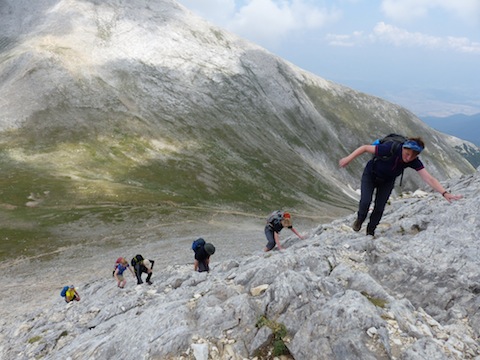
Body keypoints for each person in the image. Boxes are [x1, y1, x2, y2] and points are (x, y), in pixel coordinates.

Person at [339, 137, 462, 236]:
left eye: (412, 156)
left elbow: (429, 178)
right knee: (365, 202)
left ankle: (370, 232)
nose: (408, 158)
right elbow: (365, 148)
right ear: (403, 148)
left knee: (379, 208)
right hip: (370, 175)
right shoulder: (389, 148)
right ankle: (360, 220)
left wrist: (445, 193)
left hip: (387, 181)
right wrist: (348, 159)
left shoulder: (414, 161)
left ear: (417, 155)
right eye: (407, 153)